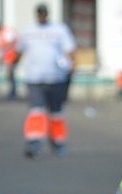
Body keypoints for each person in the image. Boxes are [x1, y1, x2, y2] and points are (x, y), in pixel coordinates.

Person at [16, 3, 76, 158]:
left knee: (56, 113)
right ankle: (34, 143)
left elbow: (69, 50)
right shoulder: (28, 31)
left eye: (43, 13)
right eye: (39, 13)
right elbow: (19, 51)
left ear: (47, 14)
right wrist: (13, 65)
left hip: (56, 79)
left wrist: (70, 66)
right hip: (35, 78)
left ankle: (58, 143)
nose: (41, 16)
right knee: (36, 111)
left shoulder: (59, 29)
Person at [0, 20, 19, 99]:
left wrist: (3, 49)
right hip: (8, 57)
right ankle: (12, 92)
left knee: (10, 75)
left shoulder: (5, 32)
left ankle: (13, 93)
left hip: (11, 57)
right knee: (9, 75)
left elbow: (11, 44)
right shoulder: (4, 32)